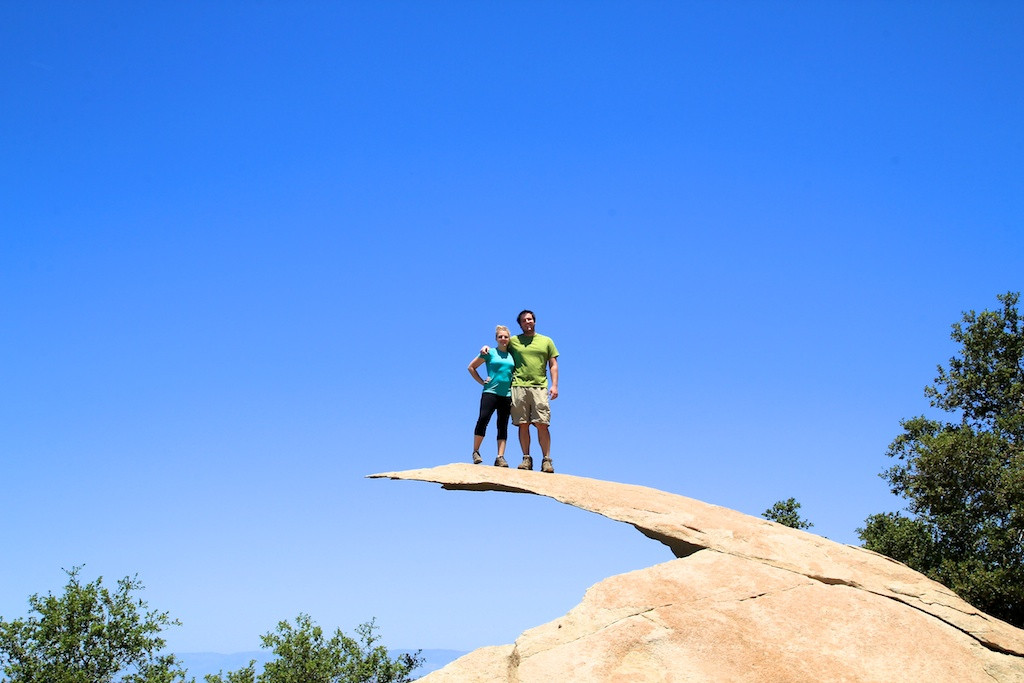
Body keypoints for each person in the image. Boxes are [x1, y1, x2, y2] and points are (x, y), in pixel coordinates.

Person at [484, 309, 559, 473]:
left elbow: (553, 364)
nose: (528, 322)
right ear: (520, 324)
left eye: (530, 319)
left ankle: (546, 460)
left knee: (542, 424)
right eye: (524, 320)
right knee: (523, 424)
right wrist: (485, 348)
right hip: (518, 386)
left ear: (535, 321)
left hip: (539, 386)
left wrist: (554, 385)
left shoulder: (546, 341)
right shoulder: (514, 341)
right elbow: (500, 345)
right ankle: (526, 459)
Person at [468, 325, 515, 467]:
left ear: (509, 339)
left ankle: (500, 457)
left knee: (503, 425)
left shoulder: (512, 355)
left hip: (506, 394)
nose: (503, 339)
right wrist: (482, 381)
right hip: (490, 392)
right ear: (496, 338)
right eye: (500, 336)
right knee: (483, 419)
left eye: (505, 336)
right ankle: (476, 451)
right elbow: (471, 367)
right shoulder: (489, 352)